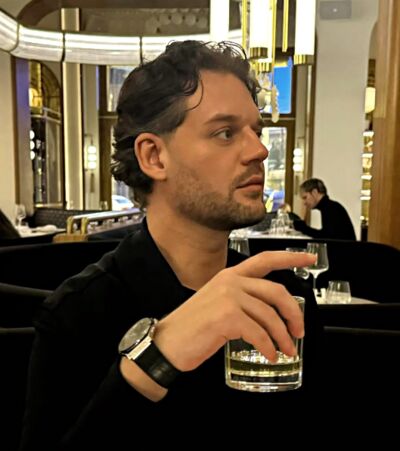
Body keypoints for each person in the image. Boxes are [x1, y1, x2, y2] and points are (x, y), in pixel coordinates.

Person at [20, 41, 321, 450]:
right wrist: (157, 356)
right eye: (225, 133)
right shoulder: (79, 312)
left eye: (257, 131)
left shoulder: (284, 296)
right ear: (154, 157)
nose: (259, 150)